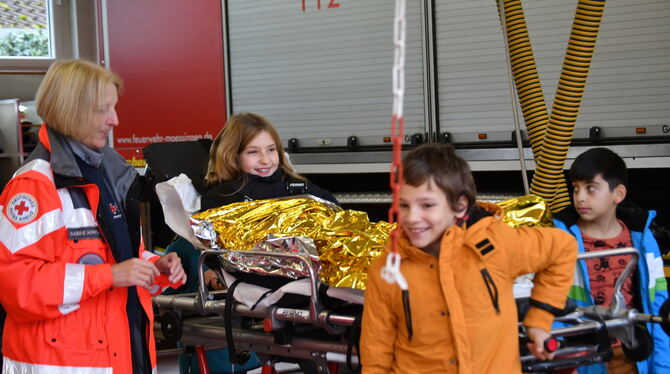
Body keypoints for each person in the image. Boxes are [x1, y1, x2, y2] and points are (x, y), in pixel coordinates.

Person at [0, 59, 187, 373]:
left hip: (124, 355)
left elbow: (121, 259)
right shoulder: (35, 186)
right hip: (62, 364)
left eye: (114, 107)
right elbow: (17, 286)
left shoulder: (110, 176)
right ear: (70, 109)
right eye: (103, 109)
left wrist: (156, 268)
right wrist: (110, 276)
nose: (115, 119)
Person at [361, 143, 577, 373]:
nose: (412, 217)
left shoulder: (496, 244)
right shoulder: (387, 269)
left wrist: (539, 322)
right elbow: (376, 350)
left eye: (427, 205)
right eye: (404, 205)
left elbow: (562, 247)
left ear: (460, 206)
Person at [165, 112, 339, 373]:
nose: (266, 160)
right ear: (233, 155)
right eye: (253, 152)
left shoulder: (294, 186)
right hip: (276, 280)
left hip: (314, 274)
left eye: (271, 150)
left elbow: (333, 211)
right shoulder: (224, 198)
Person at [553, 147, 670, 374]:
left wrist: (663, 368)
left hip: (633, 358)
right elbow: (549, 305)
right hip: (583, 361)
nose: (580, 197)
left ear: (618, 194)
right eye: (575, 188)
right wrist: (565, 361)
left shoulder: (642, 241)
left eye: (591, 188)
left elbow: (658, 306)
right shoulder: (560, 240)